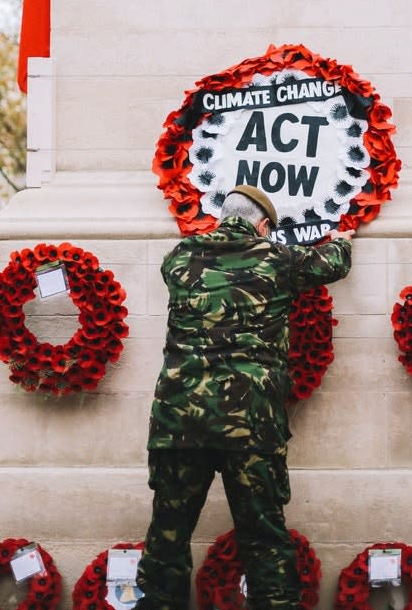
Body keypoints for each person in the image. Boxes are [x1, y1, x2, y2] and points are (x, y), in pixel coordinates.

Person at [134, 184, 354, 610]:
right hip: (249, 427)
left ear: (223, 217)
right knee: (264, 541)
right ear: (264, 225)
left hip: (179, 424)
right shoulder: (276, 258)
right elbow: (333, 262)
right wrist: (344, 241)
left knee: (168, 538)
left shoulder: (179, 258)